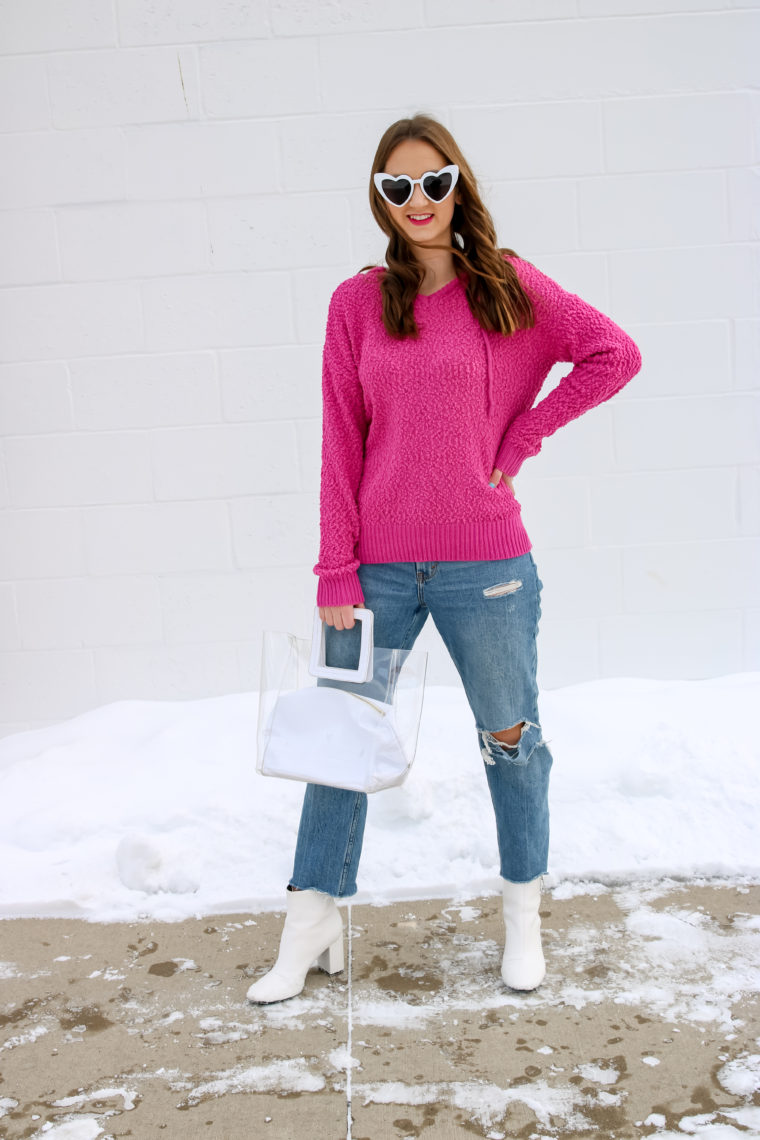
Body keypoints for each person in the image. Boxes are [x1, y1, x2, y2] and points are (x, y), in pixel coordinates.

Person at [247, 113, 642, 1005]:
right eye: (398, 187)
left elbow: (614, 354)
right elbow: (338, 440)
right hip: (377, 569)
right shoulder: (356, 304)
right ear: (380, 201)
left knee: (511, 741)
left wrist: (523, 435)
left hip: (487, 567)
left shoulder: (506, 286)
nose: (418, 200)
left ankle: (521, 914)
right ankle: (312, 923)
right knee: (339, 744)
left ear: (459, 183)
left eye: (434, 181)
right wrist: (332, 568)